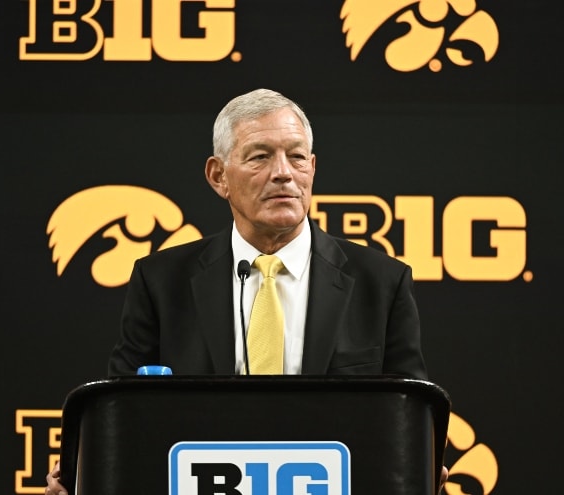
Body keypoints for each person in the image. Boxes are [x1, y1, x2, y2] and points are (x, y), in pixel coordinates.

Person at [46, 88, 446, 494]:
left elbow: (408, 417)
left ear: (312, 168)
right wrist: (86, 476)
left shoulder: (381, 282)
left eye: (296, 156)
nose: (283, 173)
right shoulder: (162, 282)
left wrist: (420, 467)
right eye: (260, 156)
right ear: (218, 176)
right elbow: (125, 416)